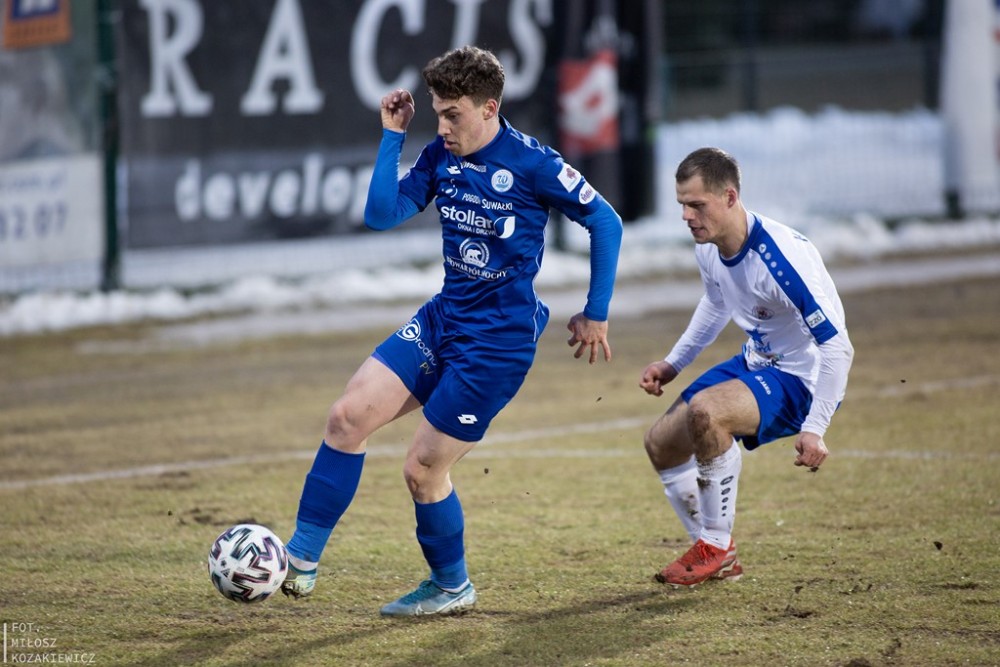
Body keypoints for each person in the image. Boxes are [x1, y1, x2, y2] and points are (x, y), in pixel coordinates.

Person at [280, 45, 623, 616]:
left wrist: (597, 311)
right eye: (438, 113)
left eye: (452, 114)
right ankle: (299, 560)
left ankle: (451, 587)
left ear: (489, 108)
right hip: (444, 319)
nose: (441, 127)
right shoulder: (441, 155)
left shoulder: (533, 164)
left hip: (496, 345)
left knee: (422, 470)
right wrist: (393, 136)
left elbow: (605, 221)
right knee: (346, 418)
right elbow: (380, 215)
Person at [639, 147, 853, 586]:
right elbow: (716, 302)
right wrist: (674, 362)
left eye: (696, 204)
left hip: (801, 379)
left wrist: (816, 427)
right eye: (682, 204)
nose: (686, 216)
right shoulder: (710, 247)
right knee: (662, 444)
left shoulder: (782, 260)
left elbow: (838, 347)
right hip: (757, 361)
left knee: (708, 412)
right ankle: (719, 554)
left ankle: (714, 545)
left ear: (730, 197)